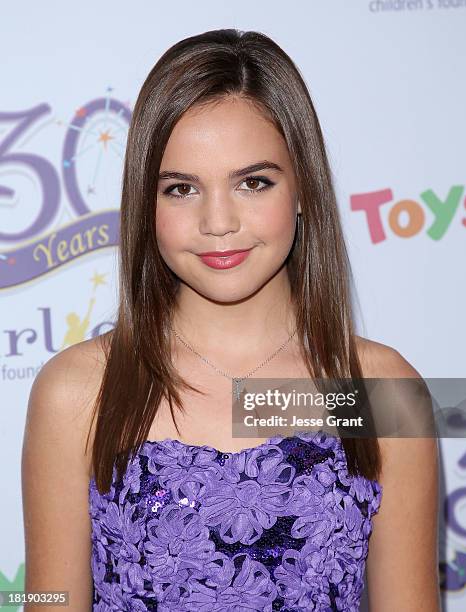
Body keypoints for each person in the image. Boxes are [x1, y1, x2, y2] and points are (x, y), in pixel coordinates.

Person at [21, 28, 441, 611]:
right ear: (147, 202)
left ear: (303, 189)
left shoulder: (377, 391)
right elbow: (48, 598)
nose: (218, 221)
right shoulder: (77, 390)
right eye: (182, 188)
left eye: (253, 182)